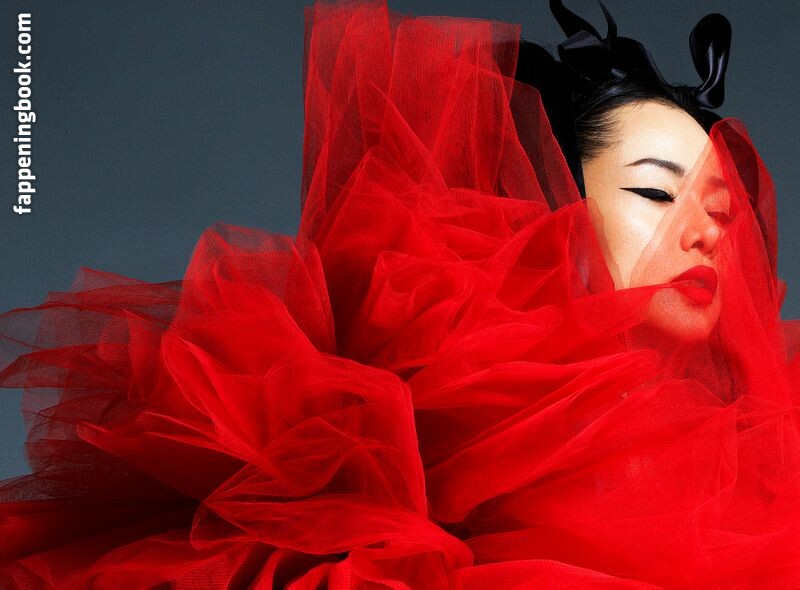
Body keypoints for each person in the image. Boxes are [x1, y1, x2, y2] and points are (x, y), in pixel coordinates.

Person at [0, 0, 799, 588]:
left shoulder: (763, 472)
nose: (705, 235)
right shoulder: (378, 453)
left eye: (722, 212)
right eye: (656, 193)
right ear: (544, 194)